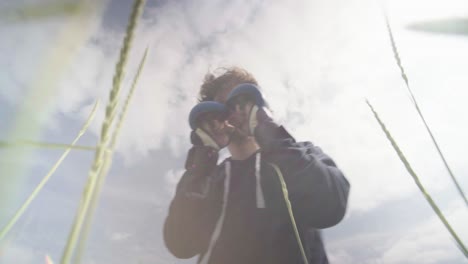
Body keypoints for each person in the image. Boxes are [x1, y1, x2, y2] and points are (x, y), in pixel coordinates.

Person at [163, 67, 350, 264]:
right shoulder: (210, 178)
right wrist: (202, 163)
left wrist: (269, 132)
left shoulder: (299, 153)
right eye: (223, 111)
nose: (235, 115)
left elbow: (331, 207)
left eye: (242, 102)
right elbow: (181, 244)